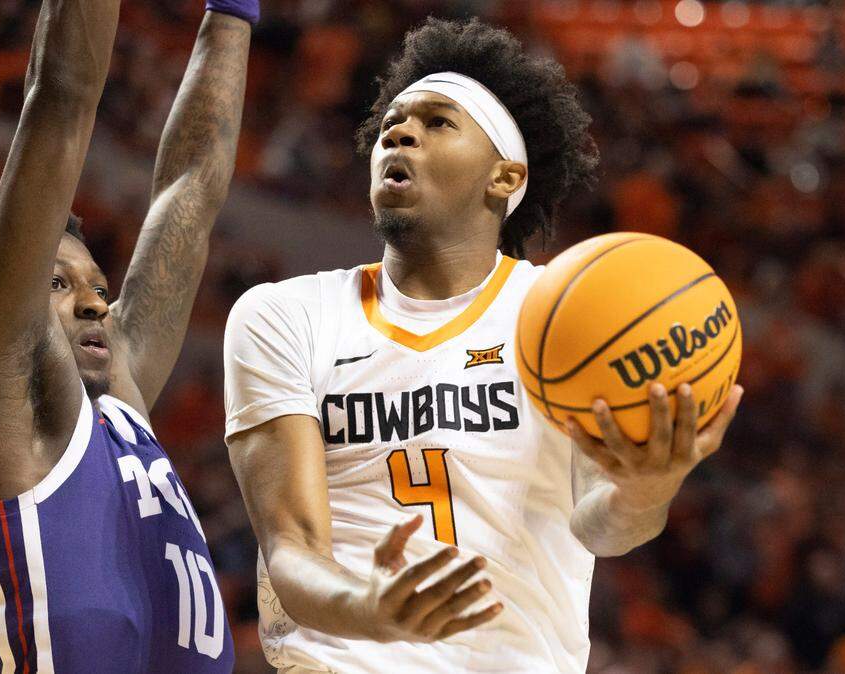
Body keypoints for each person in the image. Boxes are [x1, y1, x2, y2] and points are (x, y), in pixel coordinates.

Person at [223, 18, 744, 673]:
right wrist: (370, 609)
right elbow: (291, 548)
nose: (398, 131)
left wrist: (650, 486)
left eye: (438, 122)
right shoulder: (283, 315)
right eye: (392, 122)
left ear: (505, 175)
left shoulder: (566, 317)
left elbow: (603, 529)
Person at [0, 0, 255, 670]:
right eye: (56, 282)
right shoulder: (4, 399)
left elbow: (191, 192)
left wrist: (233, 13)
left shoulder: (121, 404)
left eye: (99, 287)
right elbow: (61, 101)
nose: (94, 305)